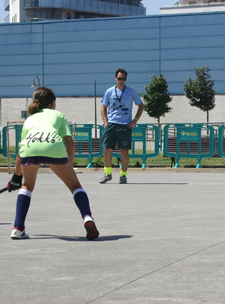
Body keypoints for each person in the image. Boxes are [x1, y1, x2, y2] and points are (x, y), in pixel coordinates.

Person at [10, 87, 99, 240]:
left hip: (31, 149)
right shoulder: (59, 115)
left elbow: (20, 153)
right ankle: (87, 218)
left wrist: (16, 178)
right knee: (75, 186)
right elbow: (70, 143)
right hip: (53, 149)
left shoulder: (29, 119)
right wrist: (69, 166)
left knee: (27, 186)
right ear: (52, 103)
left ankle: (18, 228)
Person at [100, 68, 144, 184]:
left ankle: (123, 175)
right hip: (111, 125)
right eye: (119, 78)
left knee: (124, 151)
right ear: (115, 78)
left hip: (125, 126)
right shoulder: (109, 91)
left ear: (126, 79)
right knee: (106, 150)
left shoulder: (131, 92)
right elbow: (103, 108)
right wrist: (105, 122)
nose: (121, 81)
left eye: (123, 78)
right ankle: (107, 174)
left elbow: (141, 106)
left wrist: (135, 120)